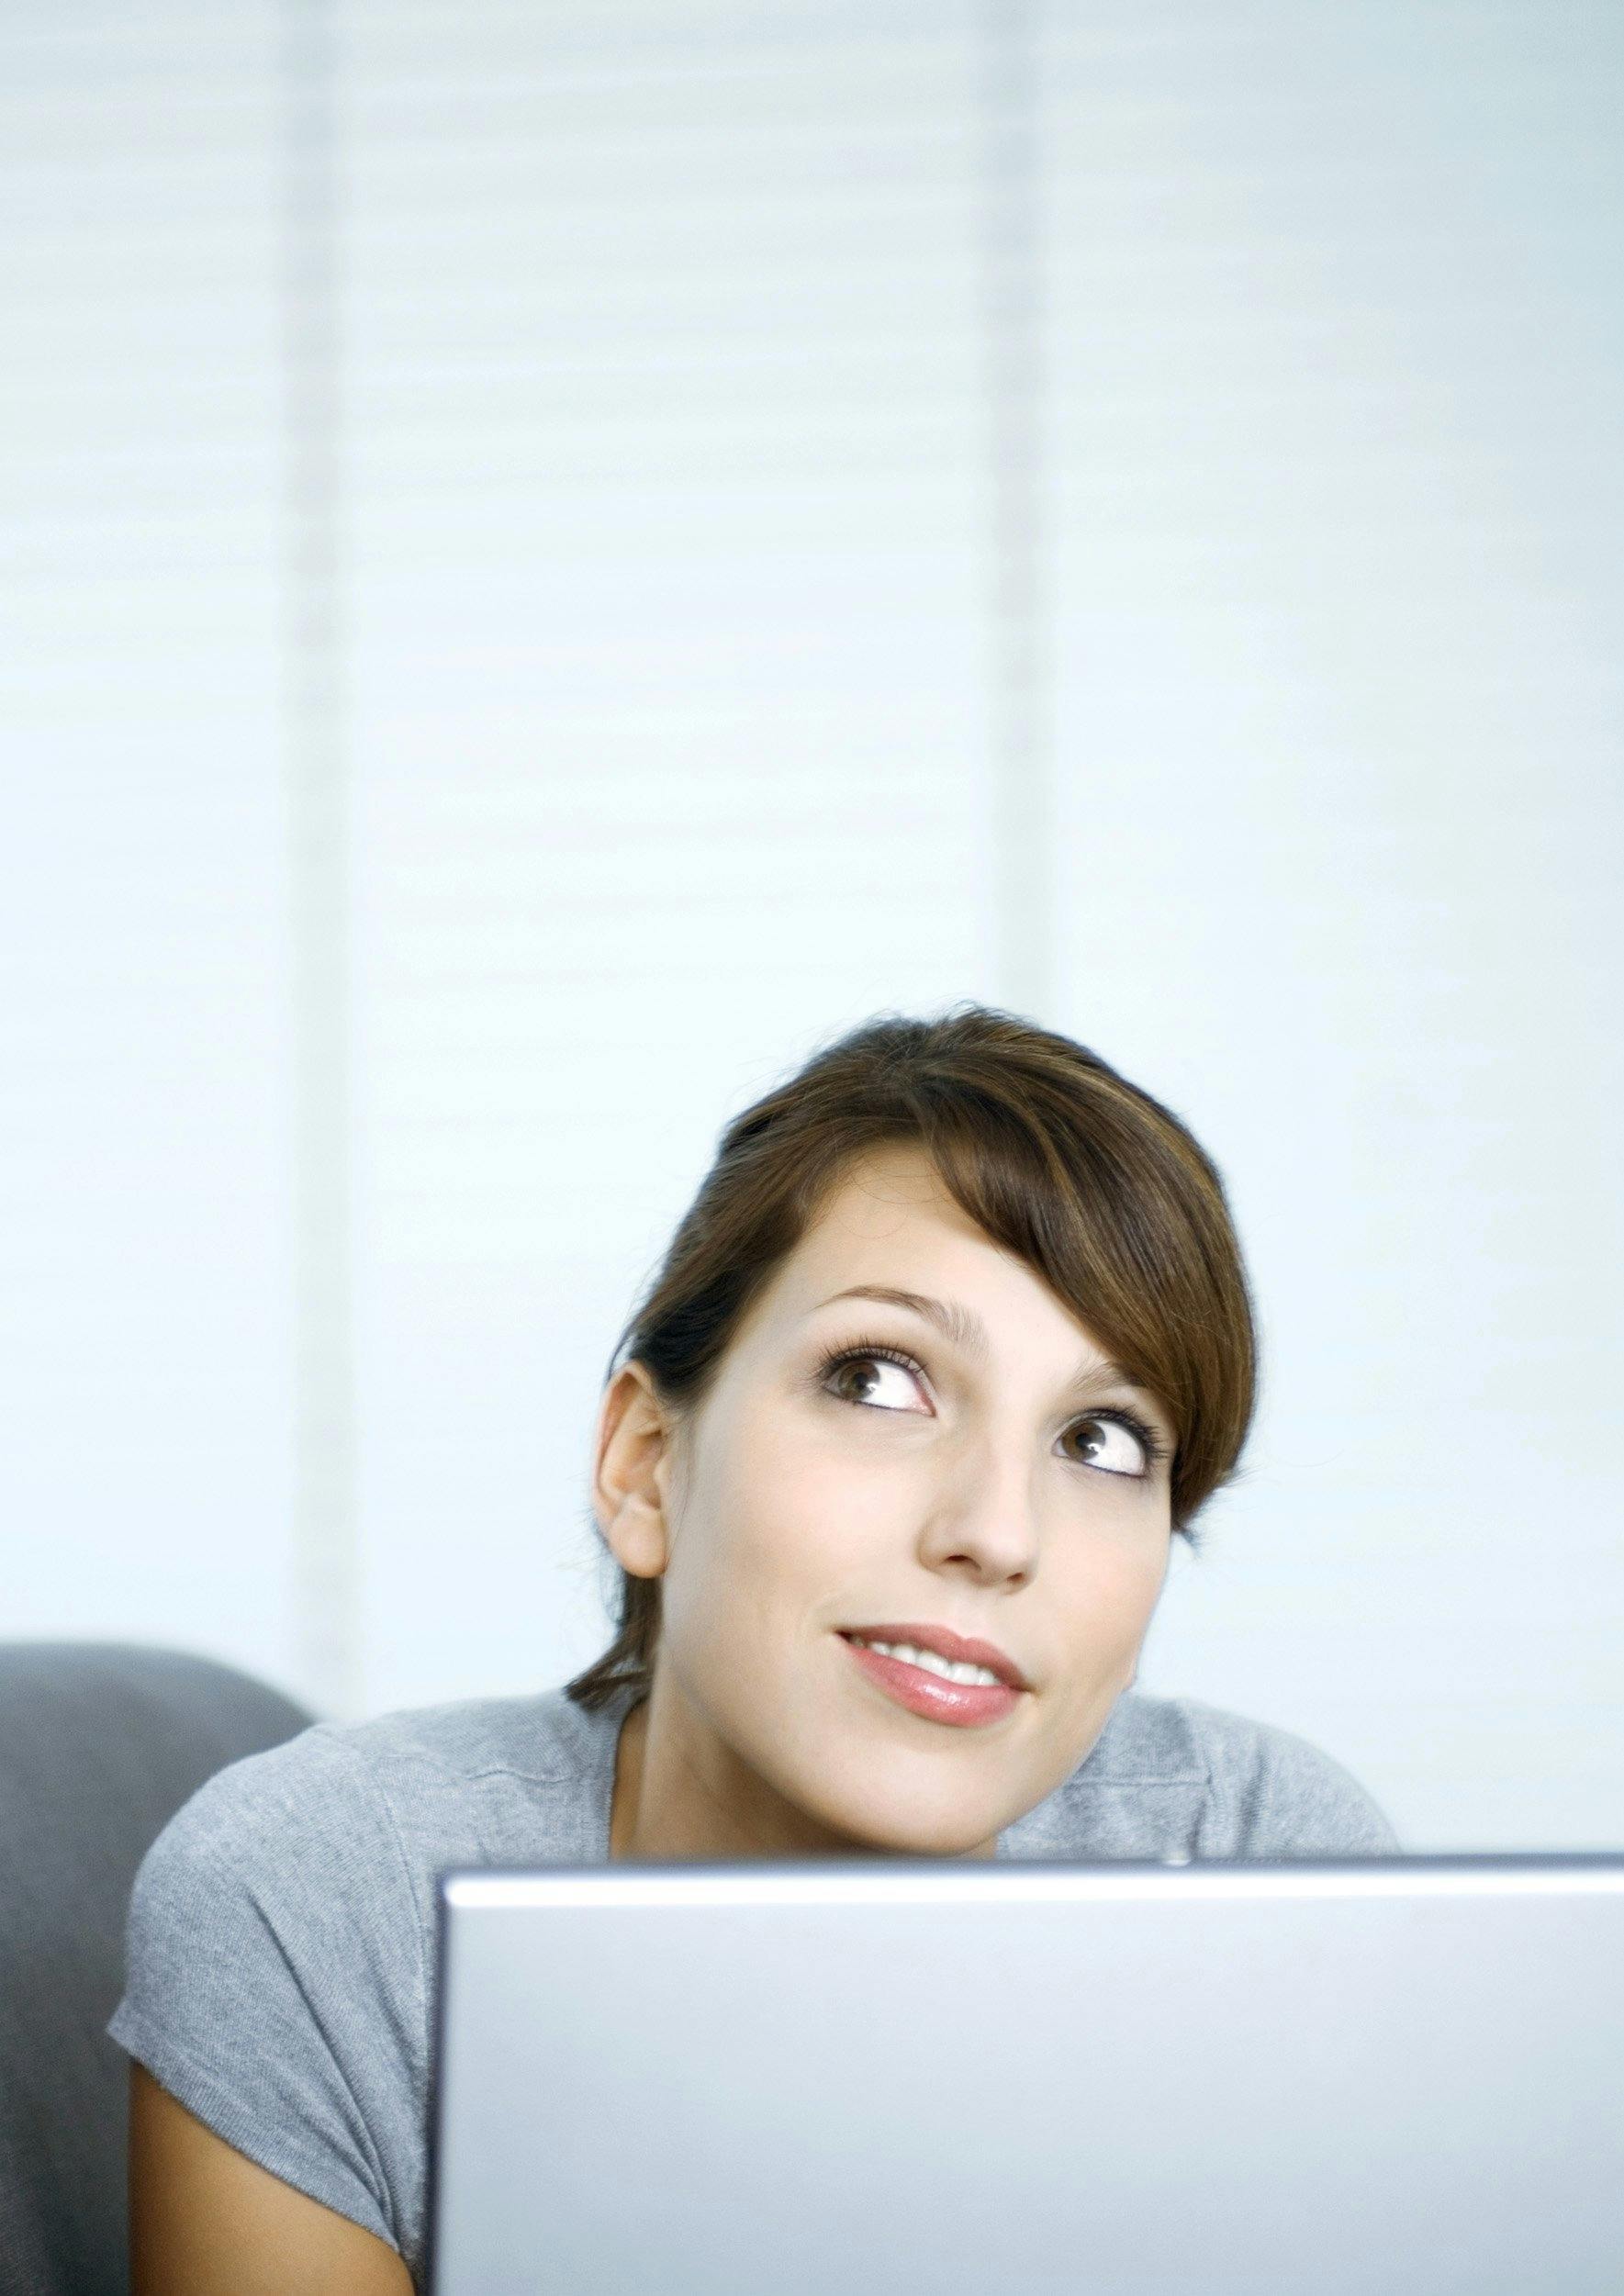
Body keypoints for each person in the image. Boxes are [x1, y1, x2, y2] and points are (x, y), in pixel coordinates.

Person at [113, 1004, 1398, 2292]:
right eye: (878, 1378)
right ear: (646, 1465)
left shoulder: (1263, 1866)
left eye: (1101, 1440)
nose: (997, 1532)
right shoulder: (332, 1904)